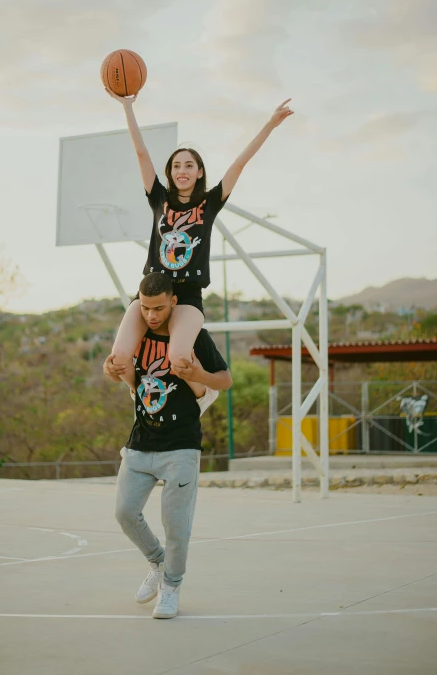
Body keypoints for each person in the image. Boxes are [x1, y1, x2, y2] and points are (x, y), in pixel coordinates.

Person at [105, 86, 293, 380]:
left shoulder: (210, 202)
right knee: (117, 359)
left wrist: (270, 124)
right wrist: (127, 106)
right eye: (176, 165)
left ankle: (202, 392)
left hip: (188, 293)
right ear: (170, 172)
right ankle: (136, 390)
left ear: (199, 172)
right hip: (153, 290)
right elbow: (141, 153)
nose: (183, 170)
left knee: (179, 359)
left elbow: (240, 163)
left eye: (189, 165)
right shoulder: (159, 198)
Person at [103, 272, 232, 619]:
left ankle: (172, 586)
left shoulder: (193, 337)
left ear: (174, 302)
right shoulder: (136, 337)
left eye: (159, 308)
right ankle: (157, 564)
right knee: (124, 513)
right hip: (141, 442)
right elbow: (128, 377)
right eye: (144, 308)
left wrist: (196, 375)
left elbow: (225, 380)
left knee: (176, 526)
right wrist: (112, 369)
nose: (151, 316)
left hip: (181, 447)